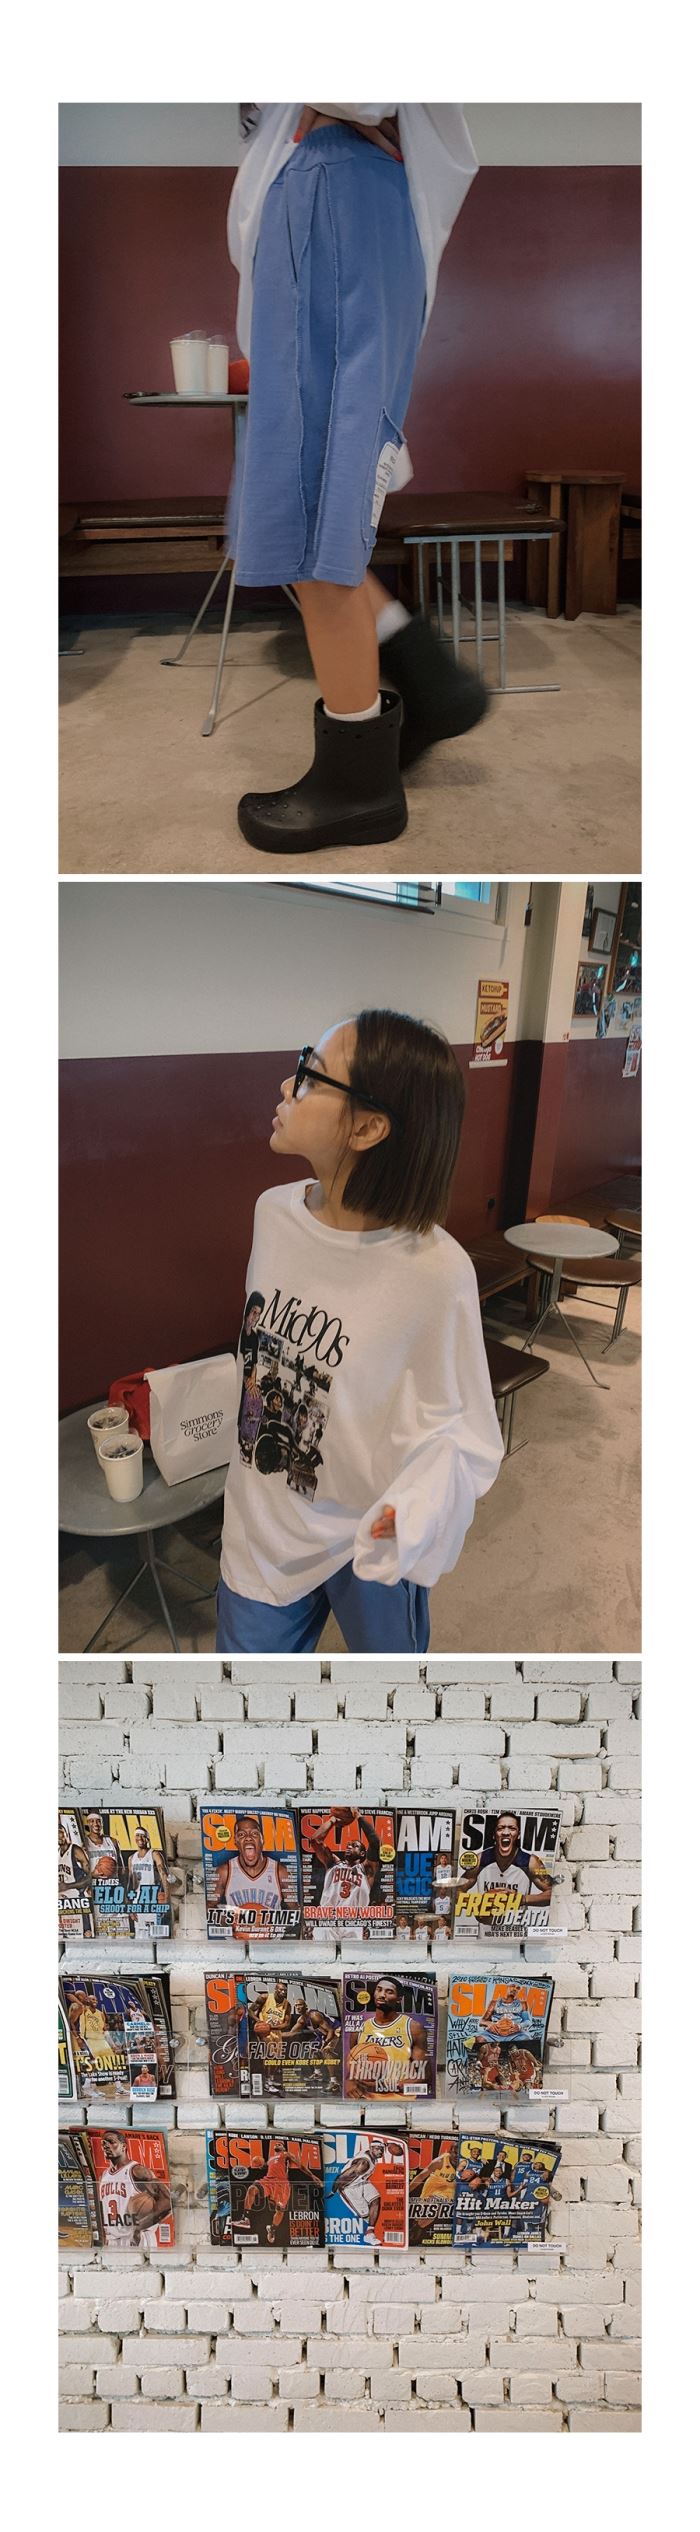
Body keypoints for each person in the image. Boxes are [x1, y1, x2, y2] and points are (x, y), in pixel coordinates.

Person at [226, 105, 488, 851]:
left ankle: (357, 788)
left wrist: (323, 103)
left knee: (313, 518)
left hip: (332, 185)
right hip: (330, 188)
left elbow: (366, 91)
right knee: (291, 510)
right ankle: (430, 682)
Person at [216, 1008, 503, 1653]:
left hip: (370, 1531)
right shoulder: (273, 1214)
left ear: (369, 1127)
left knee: (392, 1694)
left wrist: (416, 1507)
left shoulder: (435, 1272)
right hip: (264, 1524)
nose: (286, 1087)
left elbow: (463, 1430)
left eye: (310, 1075)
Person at [345, 1975, 430, 2098]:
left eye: (389, 1992)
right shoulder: (359, 2029)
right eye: (379, 1990)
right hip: (365, 2103)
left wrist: (387, 2086)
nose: (382, 1995)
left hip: (401, 2103)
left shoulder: (413, 2028)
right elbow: (353, 2065)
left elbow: (425, 2076)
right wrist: (349, 2080)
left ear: (399, 1999)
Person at [97, 2133, 171, 2246]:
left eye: (111, 2142)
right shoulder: (104, 2176)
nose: (106, 2146)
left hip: (137, 2238)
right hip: (113, 2240)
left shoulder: (137, 2171)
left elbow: (167, 2201)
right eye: (103, 2143)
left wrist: (140, 2226)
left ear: (123, 2146)